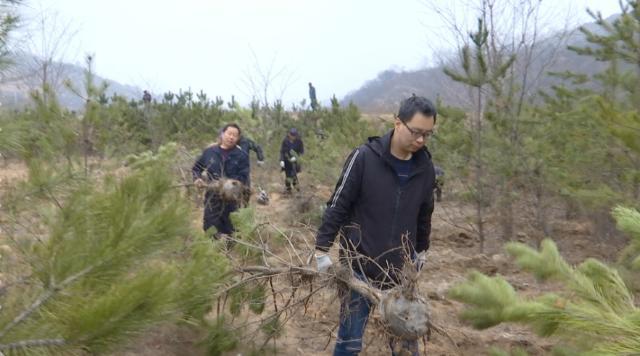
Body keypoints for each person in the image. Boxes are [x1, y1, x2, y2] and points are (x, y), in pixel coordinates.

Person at [314, 95, 437, 356]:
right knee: (350, 342)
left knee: (405, 342)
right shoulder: (364, 158)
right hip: (359, 267)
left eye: (427, 135)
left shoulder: (425, 169)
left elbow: (424, 214)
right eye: (416, 132)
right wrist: (321, 249)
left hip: (400, 274)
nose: (420, 140)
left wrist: (421, 251)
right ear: (397, 123)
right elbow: (338, 204)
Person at [192, 123, 249, 239]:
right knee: (210, 226)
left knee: (231, 228)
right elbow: (196, 168)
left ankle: (229, 252)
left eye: (235, 135)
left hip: (232, 198)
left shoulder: (241, 155)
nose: (231, 137)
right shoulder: (210, 152)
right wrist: (197, 178)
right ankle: (212, 251)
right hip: (212, 196)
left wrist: (232, 185)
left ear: (238, 139)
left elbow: (244, 176)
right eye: (229, 134)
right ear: (223, 134)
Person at [279, 128, 304, 194]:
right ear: (289, 134)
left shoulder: (299, 141)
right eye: (291, 135)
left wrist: (296, 157)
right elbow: (282, 151)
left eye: (294, 135)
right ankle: (288, 189)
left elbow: (301, 152)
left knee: (293, 175)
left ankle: (297, 190)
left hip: (295, 161)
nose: (292, 137)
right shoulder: (285, 141)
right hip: (286, 161)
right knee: (287, 175)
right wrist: (281, 160)